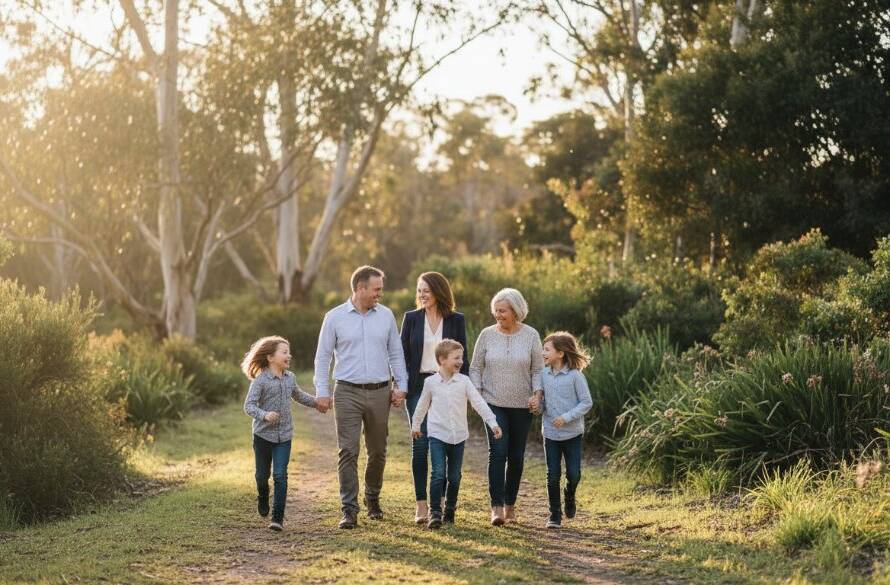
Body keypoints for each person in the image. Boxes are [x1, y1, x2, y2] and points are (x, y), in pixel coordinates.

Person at [313, 265, 409, 529]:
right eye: (376, 289)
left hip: (380, 391)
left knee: (378, 451)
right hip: (347, 392)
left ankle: (372, 497)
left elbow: (396, 354)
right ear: (360, 288)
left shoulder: (386, 315)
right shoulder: (334, 317)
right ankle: (349, 509)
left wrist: (401, 386)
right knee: (348, 450)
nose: (380, 293)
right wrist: (322, 391)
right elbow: (322, 357)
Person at [469, 288, 544, 526]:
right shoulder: (487, 335)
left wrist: (537, 395)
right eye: (496, 310)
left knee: (516, 457)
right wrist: (477, 396)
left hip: (523, 405)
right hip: (493, 404)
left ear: (516, 311)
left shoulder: (531, 335)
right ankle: (497, 508)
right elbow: (475, 368)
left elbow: (538, 369)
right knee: (498, 452)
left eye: (502, 311)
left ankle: (511, 506)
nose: (498, 315)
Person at [411, 339, 502, 528]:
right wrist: (416, 425)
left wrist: (492, 422)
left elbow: (478, 403)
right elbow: (421, 406)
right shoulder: (430, 383)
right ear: (442, 359)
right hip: (437, 435)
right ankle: (435, 512)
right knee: (438, 473)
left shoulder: (464, 381)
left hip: (458, 436)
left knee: (454, 476)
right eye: (456, 358)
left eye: (461, 357)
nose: (461, 361)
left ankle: (450, 510)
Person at [400, 271, 468, 524]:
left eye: (426, 290)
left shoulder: (456, 320)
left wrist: (465, 388)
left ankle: (440, 506)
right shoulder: (411, 318)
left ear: (439, 291)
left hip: (447, 386)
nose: (421, 294)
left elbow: (464, 357)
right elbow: (402, 356)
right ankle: (421, 505)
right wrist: (400, 385)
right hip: (419, 387)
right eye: (419, 290)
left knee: (445, 443)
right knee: (420, 445)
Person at [242, 336, 321, 531]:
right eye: (284, 352)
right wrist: (265, 415)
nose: (289, 355)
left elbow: (299, 395)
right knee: (262, 476)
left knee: (280, 475)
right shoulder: (260, 381)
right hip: (262, 436)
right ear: (270, 357)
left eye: (289, 352)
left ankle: (277, 519)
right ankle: (262, 495)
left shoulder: (290, 378)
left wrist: (319, 402)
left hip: (284, 436)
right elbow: (249, 406)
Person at [540, 332, 593, 529]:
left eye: (546, 349)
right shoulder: (543, 374)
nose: (542, 352)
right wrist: (537, 406)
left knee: (574, 474)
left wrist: (567, 417)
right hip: (551, 434)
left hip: (572, 434)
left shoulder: (575, 376)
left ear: (560, 353)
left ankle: (569, 494)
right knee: (552, 474)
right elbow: (542, 401)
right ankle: (554, 515)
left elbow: (586, 402)